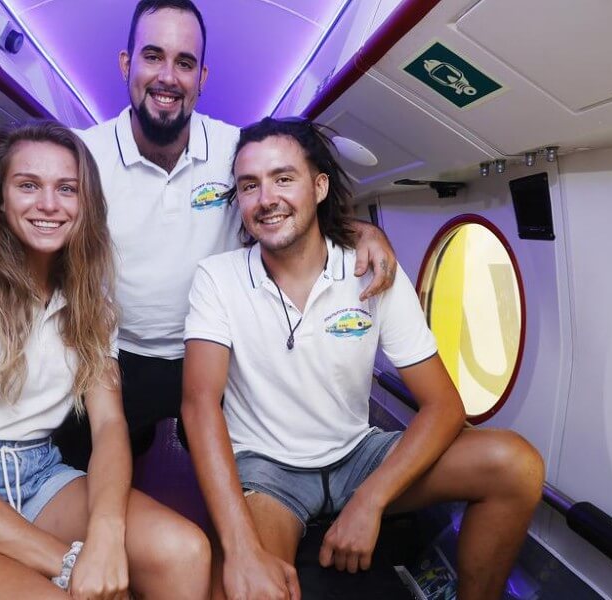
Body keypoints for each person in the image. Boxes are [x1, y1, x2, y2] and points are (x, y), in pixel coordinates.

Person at [0, 0, 400, 468]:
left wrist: (358, 231)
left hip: (221, 351)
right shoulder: (83, 156)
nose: (168, 76)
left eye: (185, 63)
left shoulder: (237, 152)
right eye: (153, 56)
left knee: (248, 473)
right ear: (127, 64)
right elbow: (6, 212)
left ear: (202, 79)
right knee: (81, 464)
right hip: (117, 353)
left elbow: (291, 208)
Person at [181, 117, 545, 600]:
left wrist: (370, 502)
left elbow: (444, 406)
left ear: (319, 186)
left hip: (358, 456)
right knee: (244, 589)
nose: (266, 199)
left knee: (516, 466)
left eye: (283, 178)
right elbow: (199, 405)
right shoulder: (217, 278)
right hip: (267, 470)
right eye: (250, 186)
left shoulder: (371, 270)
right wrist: (242, 549)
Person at [0, 120, 210, 600]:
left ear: (85, 204)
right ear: (0, 199)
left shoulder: (93, 304)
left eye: (67, 189)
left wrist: (107, 535)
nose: (49, 204)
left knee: (185, 551)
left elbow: (109, 427)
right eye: (28, 185)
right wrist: (69, 564)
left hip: (39, 474)